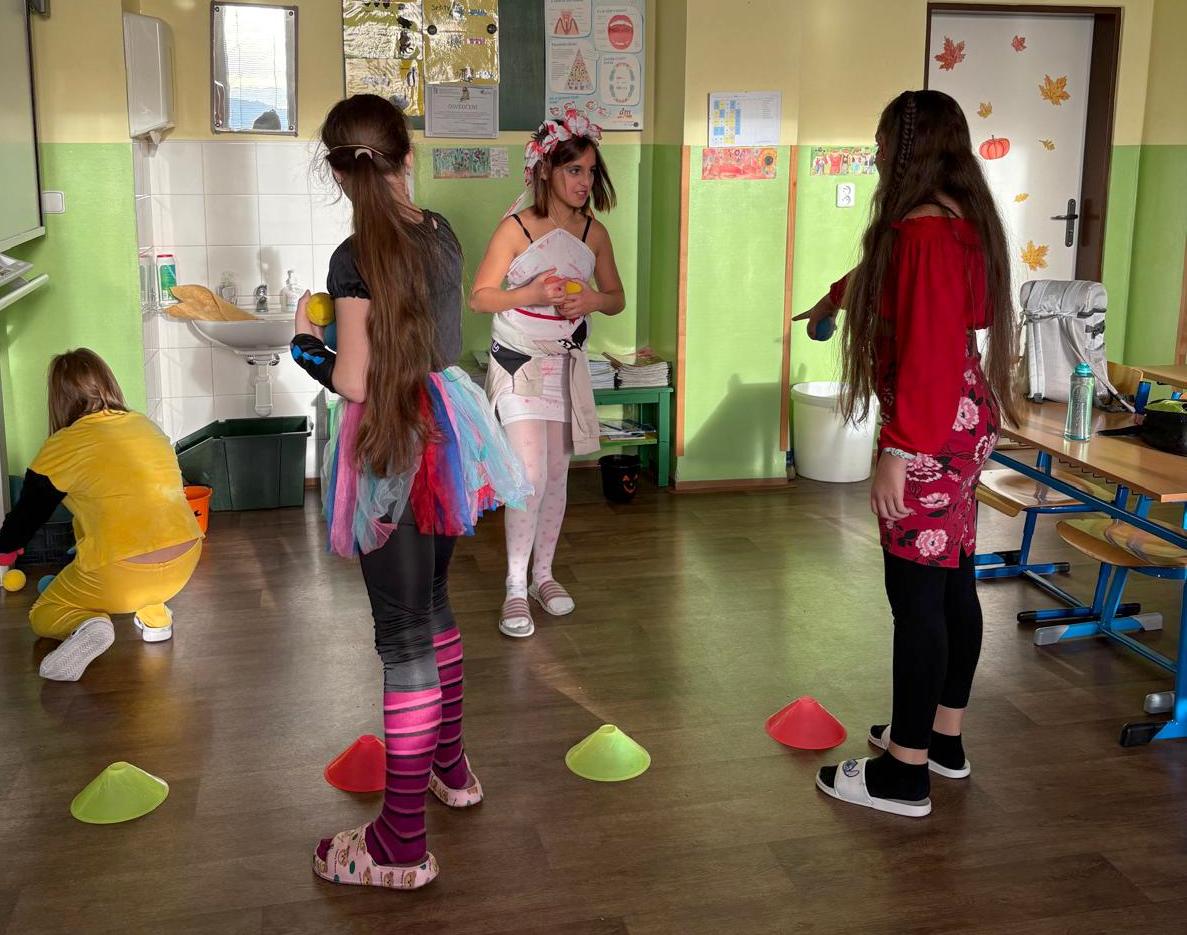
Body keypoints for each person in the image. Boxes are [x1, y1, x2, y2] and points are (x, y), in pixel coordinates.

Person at [290, 94, 528, 889]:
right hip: (448, 432)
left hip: (390, 441)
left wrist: (306, 345)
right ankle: (450, 767)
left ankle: (397, 843)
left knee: (402, 637)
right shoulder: (441, 233)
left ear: (336, 171)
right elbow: (430, 339)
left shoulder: (351, 256)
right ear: (406, 156)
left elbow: (356, 380)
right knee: (432, 604)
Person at [797, 90, 1017, 818]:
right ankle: (941, 740)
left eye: (882, 140)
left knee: (917, 601)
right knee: (951, 583)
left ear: (909, 147)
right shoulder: (955, 220)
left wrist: (898, 449)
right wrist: (834, 298)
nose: (875, 153)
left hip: (930, 427)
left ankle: (904, 773)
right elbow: (898, 284)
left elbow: (925, 348)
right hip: (962, 417)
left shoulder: (922, 231)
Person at [470, 108, 625, 639]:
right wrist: (532, 293)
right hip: (517, 362)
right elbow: (480, 297)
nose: (584, 181)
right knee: (528, 474)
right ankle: (514, 587)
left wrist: (592, 300)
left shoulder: (594, 233)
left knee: (557, 473)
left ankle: (543, 576)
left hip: (565, 365)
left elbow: (616, 298)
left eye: (590, 171)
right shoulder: (515, 228)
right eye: (574, 170)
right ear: (545, 169)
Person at [0, 349, 203, 681]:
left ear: (58, 399)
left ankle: (88, 622)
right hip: (184, 560)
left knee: (44, 612)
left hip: (120, 573)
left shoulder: (62, 445)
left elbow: (26, 519)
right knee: (133, 556)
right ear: (109, 384)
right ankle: (156, 619)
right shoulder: (145, 425)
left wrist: (5, 548)